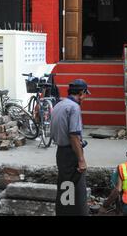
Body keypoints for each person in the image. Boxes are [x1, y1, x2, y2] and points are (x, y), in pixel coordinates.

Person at [50, 79, 91, 215]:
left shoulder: (59, 105)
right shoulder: (74, 107)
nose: (84, 98)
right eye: (85, 94)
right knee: (77, 191)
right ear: (81, 92)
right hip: (71, 153)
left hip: (60, 152)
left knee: (65, 186)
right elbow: (73, 135)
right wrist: (81, 159)